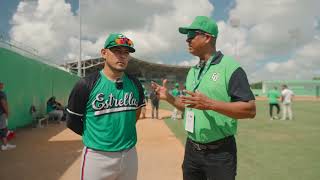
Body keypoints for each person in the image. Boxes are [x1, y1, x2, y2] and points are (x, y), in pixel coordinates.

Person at [152, 16, 256, 180]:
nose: (187, 40)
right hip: (192, 150)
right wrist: (169, 97)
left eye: (192, 35)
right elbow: (189, 107)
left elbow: (250, 109)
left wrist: (210, 104)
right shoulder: (192, 72)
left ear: (207, 37)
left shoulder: (230, 68)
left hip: (220, 153)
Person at [66, 33, 145, 180]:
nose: (122, 56)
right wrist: (97, 137)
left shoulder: (135, 84)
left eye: (126, 53)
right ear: (104, 53)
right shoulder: (85, 84)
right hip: (98, 157)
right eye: (117, 51)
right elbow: (73, 121)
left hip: (129, 154)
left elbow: (135, 113)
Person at [0, 82, 16, 151]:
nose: (2, 85)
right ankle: (5, 145)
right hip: (1, 114)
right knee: (3, 129)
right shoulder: (1, 93)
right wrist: (7, 112)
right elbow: (3, 103)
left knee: (3, 128)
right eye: (1, 84)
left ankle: (5, 144)